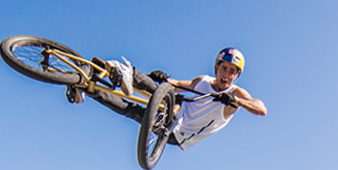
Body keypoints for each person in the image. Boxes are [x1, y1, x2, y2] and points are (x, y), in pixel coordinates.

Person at [93, 47, 266, 150]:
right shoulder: (203, 81)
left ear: (236, 76)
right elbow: (176, 85)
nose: (226, 75)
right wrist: (161, 78)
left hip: (177, 132)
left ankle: (93, 91)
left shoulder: (235, 94)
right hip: (176, 107)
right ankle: (116, 73)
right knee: (161, 88)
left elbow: (260, 108)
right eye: (224, 68)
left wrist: (237, 101)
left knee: (133, 110)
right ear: (217, 67)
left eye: (231, 71)